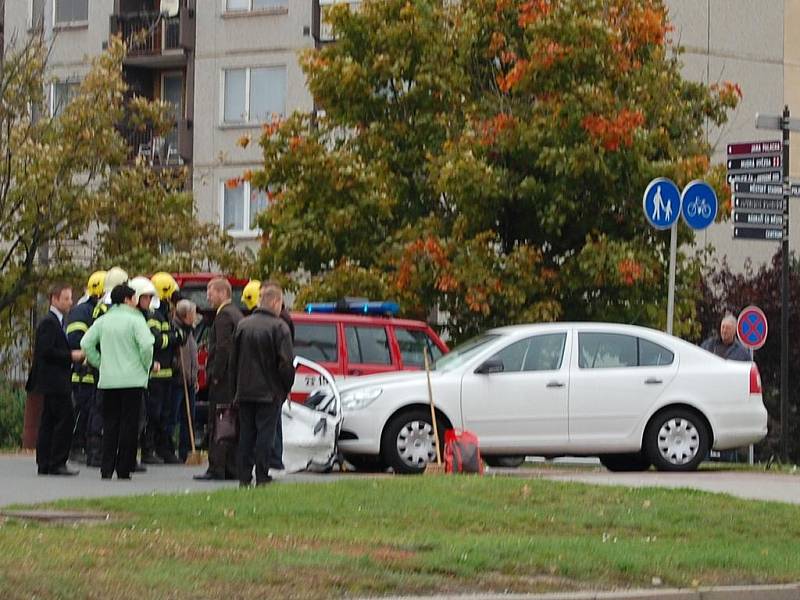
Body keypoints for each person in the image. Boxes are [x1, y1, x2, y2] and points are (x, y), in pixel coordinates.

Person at [81, 284, 154, 480]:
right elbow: (147, 345)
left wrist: (99, 362)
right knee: (129, 425)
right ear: (127, 300)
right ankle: (124, 468)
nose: (136, 302)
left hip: (108, 380)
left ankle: (106, 467)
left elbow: (86, 343)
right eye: (134, 298)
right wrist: (144, 366)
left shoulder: (103, 321)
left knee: (110, 424)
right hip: (132, 381)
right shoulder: (136, 320)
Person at [231, 282, 295, 486]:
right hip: (269, 391)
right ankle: (262, 475)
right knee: (265, 436)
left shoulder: (243, 325)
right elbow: (285, 363)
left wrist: (236, 388)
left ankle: (243, 476)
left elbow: (234, 360)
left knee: (246, 435)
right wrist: (285, 387)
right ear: (275, 301)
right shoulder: (279, 327)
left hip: (245, 390)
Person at [27, 283, 85, 476]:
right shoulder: (49, 323)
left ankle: (46, 462)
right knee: (63, 419)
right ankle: (56, 461)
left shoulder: (58, 322)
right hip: (54, 381)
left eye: (70, 298)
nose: (70, 302)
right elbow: (47, 351)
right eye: (66, 298)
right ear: (54, 298)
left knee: (50, 420)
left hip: (55, 380)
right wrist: (71, 356)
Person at [195, 278, 243, 481]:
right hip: (234, 378)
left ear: (223, 293)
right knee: (231, 422)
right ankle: (231, 466)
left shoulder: (224, 316)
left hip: (223, 380)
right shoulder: (237, 314)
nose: (208, 296)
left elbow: (222, 347)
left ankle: (217, 467)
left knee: (219, 422)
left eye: (211, 292)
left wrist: (216, 374)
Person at [66, 270, 105, 465]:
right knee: (83, 411)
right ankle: (75, 446)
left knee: (91, 411)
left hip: (94, 373)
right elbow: (74, 341)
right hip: (83, 374)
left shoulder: (96, 311)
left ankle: (84, 446)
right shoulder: (82, 311)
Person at [171, 299, 199, 463]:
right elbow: (174, 355)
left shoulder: (190, 331)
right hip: (178, 380)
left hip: (189, 380)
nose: (195, 317)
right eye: (193, 314)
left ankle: (186, 450)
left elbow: (193, 355)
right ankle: (169, 448)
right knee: (173, 417)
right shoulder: (175, 329)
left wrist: (193, 377)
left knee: (190, 417)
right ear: (186, 315)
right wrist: (178, 369)